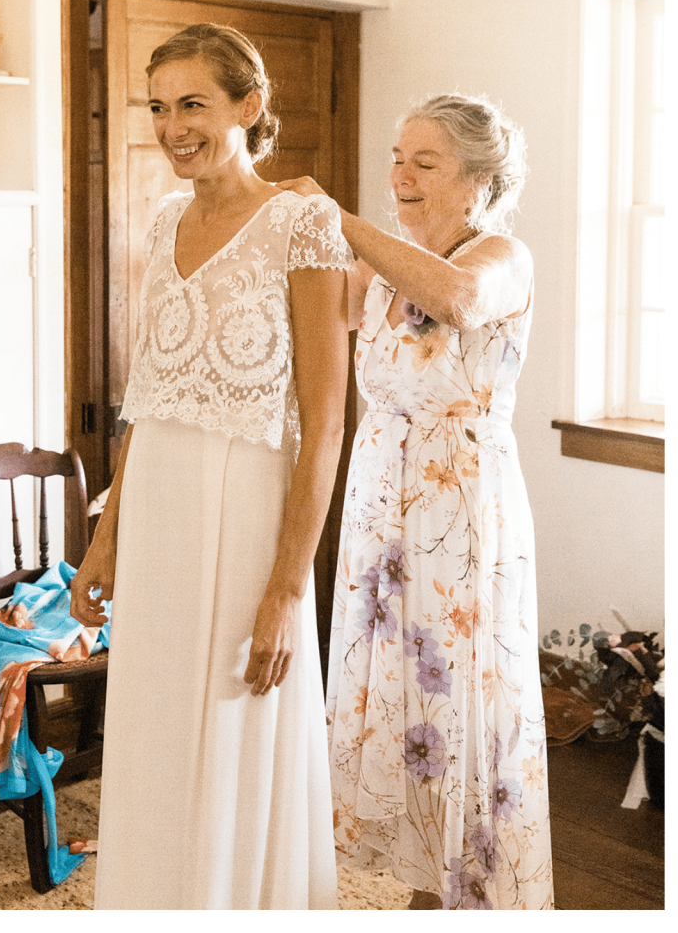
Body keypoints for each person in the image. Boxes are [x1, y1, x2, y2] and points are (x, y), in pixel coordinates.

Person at [70, 24, 351, 907]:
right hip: (157, 509)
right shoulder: (164, 219)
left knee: (237, 717)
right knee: (154, 726)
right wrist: (105, 542)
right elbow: (144, 401)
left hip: (250, 518)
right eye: (159, 106)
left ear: (249, 106)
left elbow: (327, 421)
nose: (172, 125)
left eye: (193, 103)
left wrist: (285, 592)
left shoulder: (302, 224)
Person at [278, 93, 553, 909]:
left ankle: (467, 889)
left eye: (423, 163)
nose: (399, 176)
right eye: (397, 158)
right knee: (392, 687)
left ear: (475, 184)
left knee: (455, 690)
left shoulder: (503, 256)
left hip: (458, 510)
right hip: (380, 506)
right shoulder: (383, 268)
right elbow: (311, 313)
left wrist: (336, 217)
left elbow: (460, 299)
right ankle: (418, 880)